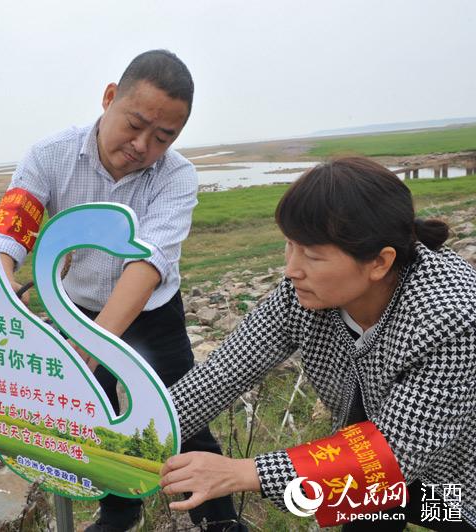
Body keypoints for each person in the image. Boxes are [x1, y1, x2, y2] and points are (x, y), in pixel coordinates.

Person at [0, 50, 243, 532]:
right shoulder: (50, 155)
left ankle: (218, 517)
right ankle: (119, 514)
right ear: (109, 99)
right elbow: (10, 231)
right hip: (77, 306)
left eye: (163, 137)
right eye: (135, 124)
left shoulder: (177, 176)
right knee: (92, 417)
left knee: (181, 410)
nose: (143, 145)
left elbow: (149, 265)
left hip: (153, 313)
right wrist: (0, 291)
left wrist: (92, 347)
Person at [161, 158, 476, 531]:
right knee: (363, 509)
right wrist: (136, 433)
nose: (292, 268)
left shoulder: (454, 316)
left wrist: (241, 472)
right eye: (289, 246)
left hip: (453, 484)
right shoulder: (302, 296)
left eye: (311, 254)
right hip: (362, 463)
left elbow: (394, 452)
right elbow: (223, 373)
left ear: (379, 262)